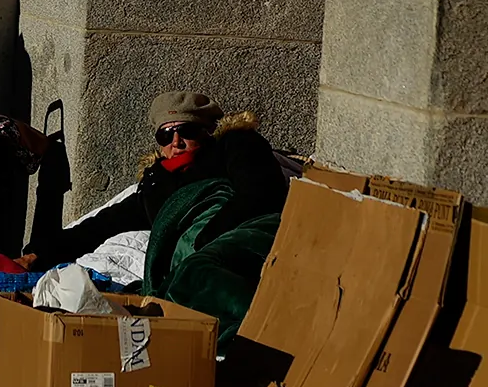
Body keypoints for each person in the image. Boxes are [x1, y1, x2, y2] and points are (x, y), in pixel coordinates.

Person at [18, 91, 288, 271]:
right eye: (165, 135)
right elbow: (103, 224)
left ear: (207, 132)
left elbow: (259, 193)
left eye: (187, 131)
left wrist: (200, 246)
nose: (176, 142)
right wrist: (39, 254)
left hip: (241, 253)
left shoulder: (235, 145)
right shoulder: (158, 183)